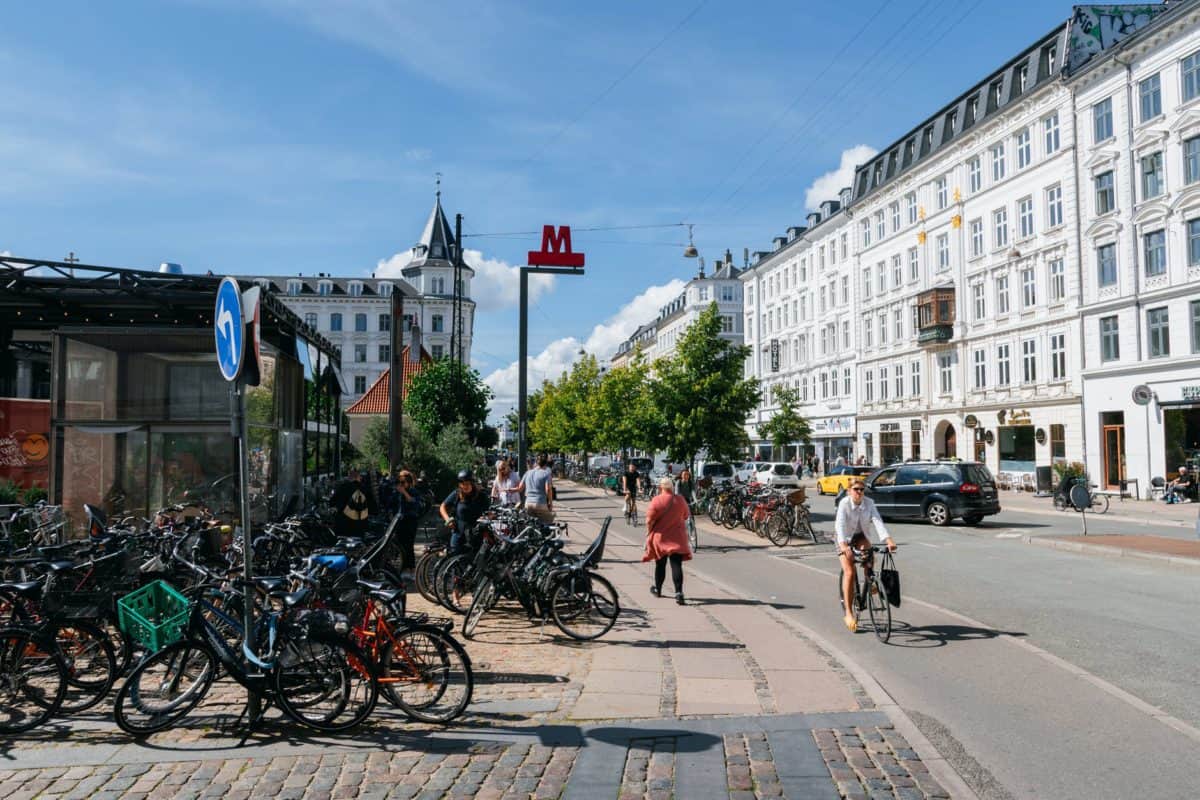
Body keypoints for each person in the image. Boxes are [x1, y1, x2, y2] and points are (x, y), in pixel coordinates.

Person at [834, 479, 896, 632]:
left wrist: (888, 540)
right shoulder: (844, 504)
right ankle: (848, 613)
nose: (860, 492)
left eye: (862, 489)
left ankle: (871, 581)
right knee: (849, 572)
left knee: (868, 552)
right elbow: (839, 525)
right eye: (856, 489)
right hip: (844, 538)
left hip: (861, 536)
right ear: (849, 491)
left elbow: (877, 521)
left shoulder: (869, 503)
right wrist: (843, 546)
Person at [642, 476, 692, 604]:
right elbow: (686, 516)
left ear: (660, 487)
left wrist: (648, 532)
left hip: (661, 537)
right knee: (676, 565)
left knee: (660, 565)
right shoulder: (680, 500)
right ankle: (679, 593)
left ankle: (658, 590)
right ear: (672, 486)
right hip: (677, 537)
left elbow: (649, 520)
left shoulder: (656, 500)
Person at [439, 469, 490, 553]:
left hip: (475, 534)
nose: (465, 486)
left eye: (467, 484)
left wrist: (485, 518)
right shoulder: (457, 493)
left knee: (473, 560)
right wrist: (448, 520)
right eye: (462, 484)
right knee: (454, 556)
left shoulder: (481, 496)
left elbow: (489, 513)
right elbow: (442, 506)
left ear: (472, 483)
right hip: (458, 532)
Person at [393, 470, 426, 580]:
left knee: (408, 545)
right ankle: (404, 569)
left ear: (408, 482)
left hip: (410, 521)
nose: (401, 485)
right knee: (401, 546)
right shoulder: (397, 492)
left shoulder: (413, 491)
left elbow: (414, 502)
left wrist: (404, 492)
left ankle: (412, 569)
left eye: (403, 482)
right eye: (400, 482)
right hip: (399, 521)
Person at [330, 467, 378, 539]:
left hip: (343, 526)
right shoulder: (365, 489)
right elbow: (374, 509)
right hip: (359, 526)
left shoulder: (342, 487)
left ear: (349, 476)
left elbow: (332, 502)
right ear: (359, 477)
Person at [518, 453, 555, 522]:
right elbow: (548, 490)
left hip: (528, 503)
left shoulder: (528, 472)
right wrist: (550, 503)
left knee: (531, 524)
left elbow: (520, 488)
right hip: (540, 503)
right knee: (547, 523)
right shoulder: (546, 474)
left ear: (536, 463)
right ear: (546, 464)